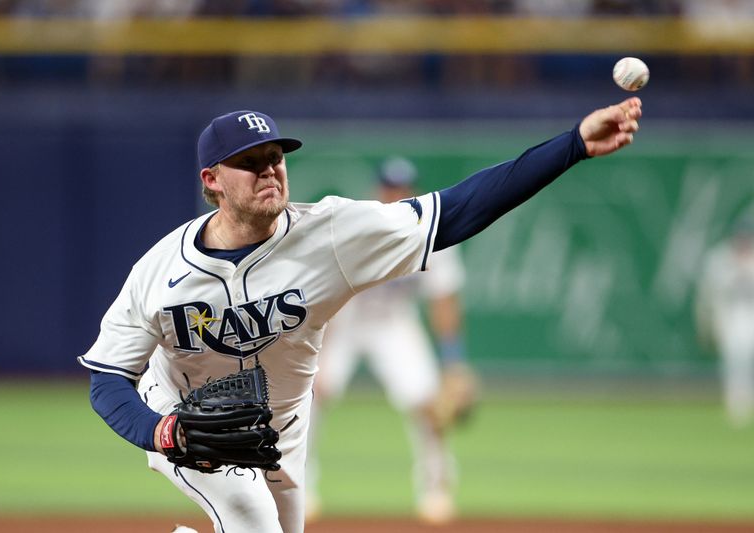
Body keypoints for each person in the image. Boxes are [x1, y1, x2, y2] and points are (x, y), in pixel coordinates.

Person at [79, 98, 642, 533]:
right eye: (249, 164)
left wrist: (571, 145)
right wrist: (163, 430)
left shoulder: (332, 234)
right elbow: (107, 378)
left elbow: (460, 209)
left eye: (275, 157)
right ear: (212, 181)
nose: (270, 170)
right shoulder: (159, 272)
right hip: (191, 427)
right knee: (251, 521)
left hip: (281, 431)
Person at [305, 156, 475, 524]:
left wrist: (454, 361)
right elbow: (325, 295)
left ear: (412, 191)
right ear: (377, 191)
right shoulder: (354, 227)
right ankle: (299, 488)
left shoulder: (431, 231)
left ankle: (436, 488)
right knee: (310, 397)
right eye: (389, 188)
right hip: (344, 320)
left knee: (428, 402)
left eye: (402, 188)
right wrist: (318, 353)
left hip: (394, 322)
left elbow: (444, 299)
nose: (395, 195)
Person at [694, 215, 754, 427]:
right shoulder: (719, 258)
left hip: (751, 313)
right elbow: (708, 295)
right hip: (730, 315)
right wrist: (706, 324)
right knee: (735, 362)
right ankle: (737, 406)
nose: (744, 241)